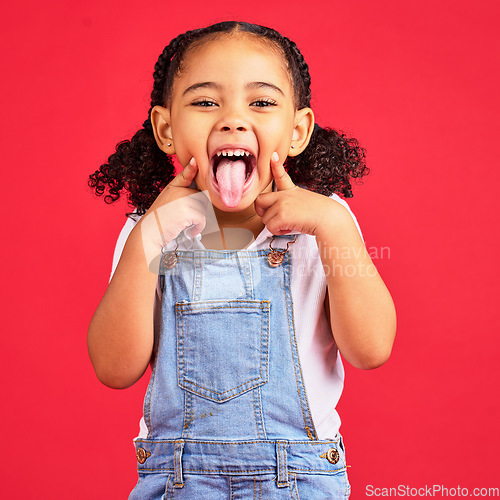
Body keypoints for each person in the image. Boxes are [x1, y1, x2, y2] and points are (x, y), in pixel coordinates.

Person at [87, 21, 396, 499]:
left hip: (300, 479)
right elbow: (113, 367)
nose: (232, 119)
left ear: (297, 131)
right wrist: (147, 239)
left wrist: (333, 226)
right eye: (206, 101)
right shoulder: (148, 233)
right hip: (179, 481)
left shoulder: (326, 226)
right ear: (166, 128)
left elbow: (370, 349)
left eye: (261, 102)